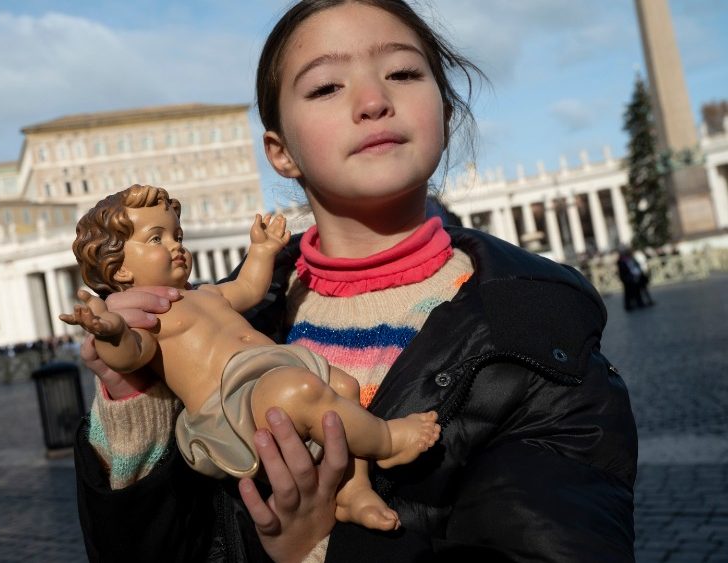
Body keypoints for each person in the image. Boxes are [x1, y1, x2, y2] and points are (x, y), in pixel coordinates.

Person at [74, 1, 638, 561]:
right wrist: (135, 400)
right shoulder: (222, 315)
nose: (373, 102)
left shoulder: (542, 331)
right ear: (281, 152)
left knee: (332, 390)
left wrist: (319, 551)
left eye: (402, 73)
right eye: (326, 87)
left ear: (443, 110)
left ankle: (359, 485)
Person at [63, 184, 441, 532]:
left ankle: (354, 490)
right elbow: (130, 355)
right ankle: (387, 441)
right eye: (156, 238)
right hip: (230, 406)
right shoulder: (147, 319)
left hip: (272, 374)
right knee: (303, 390)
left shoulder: (207, 294)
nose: (176, 245)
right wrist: (110, 333)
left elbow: (248, 287)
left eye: (178, 235)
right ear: (121, 267)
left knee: (343, 384)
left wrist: (261, 251)